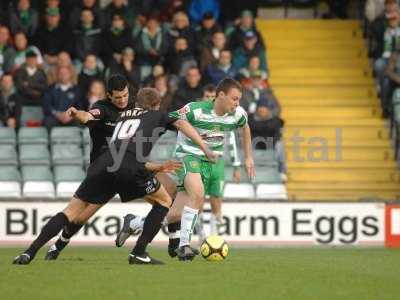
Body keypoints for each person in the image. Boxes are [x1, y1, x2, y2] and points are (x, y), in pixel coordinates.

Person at [13, 77, 216, 265]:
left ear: (133, 98)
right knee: (161, 201)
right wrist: (204, 146)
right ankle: (139, 250)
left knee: (70, 212)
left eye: (125, 96)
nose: (122, 100)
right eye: (117, 97)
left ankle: (29, 252)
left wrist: (159, 166)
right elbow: (179, 122)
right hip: (125, 167)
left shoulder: (124, 115)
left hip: (106, 166)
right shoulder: (124, 111)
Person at [117, 78, 255, 261]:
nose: (237, 103)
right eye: (234, 99)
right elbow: (167, 120)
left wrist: (248, 157)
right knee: (197, 194)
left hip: (209, 161)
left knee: (174, 215)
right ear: (221, 95)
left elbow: (245, 128)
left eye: (239, 99)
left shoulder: (238, 114)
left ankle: (134, 222)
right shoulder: (194, 110)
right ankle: (184, 246)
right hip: (187, 156)